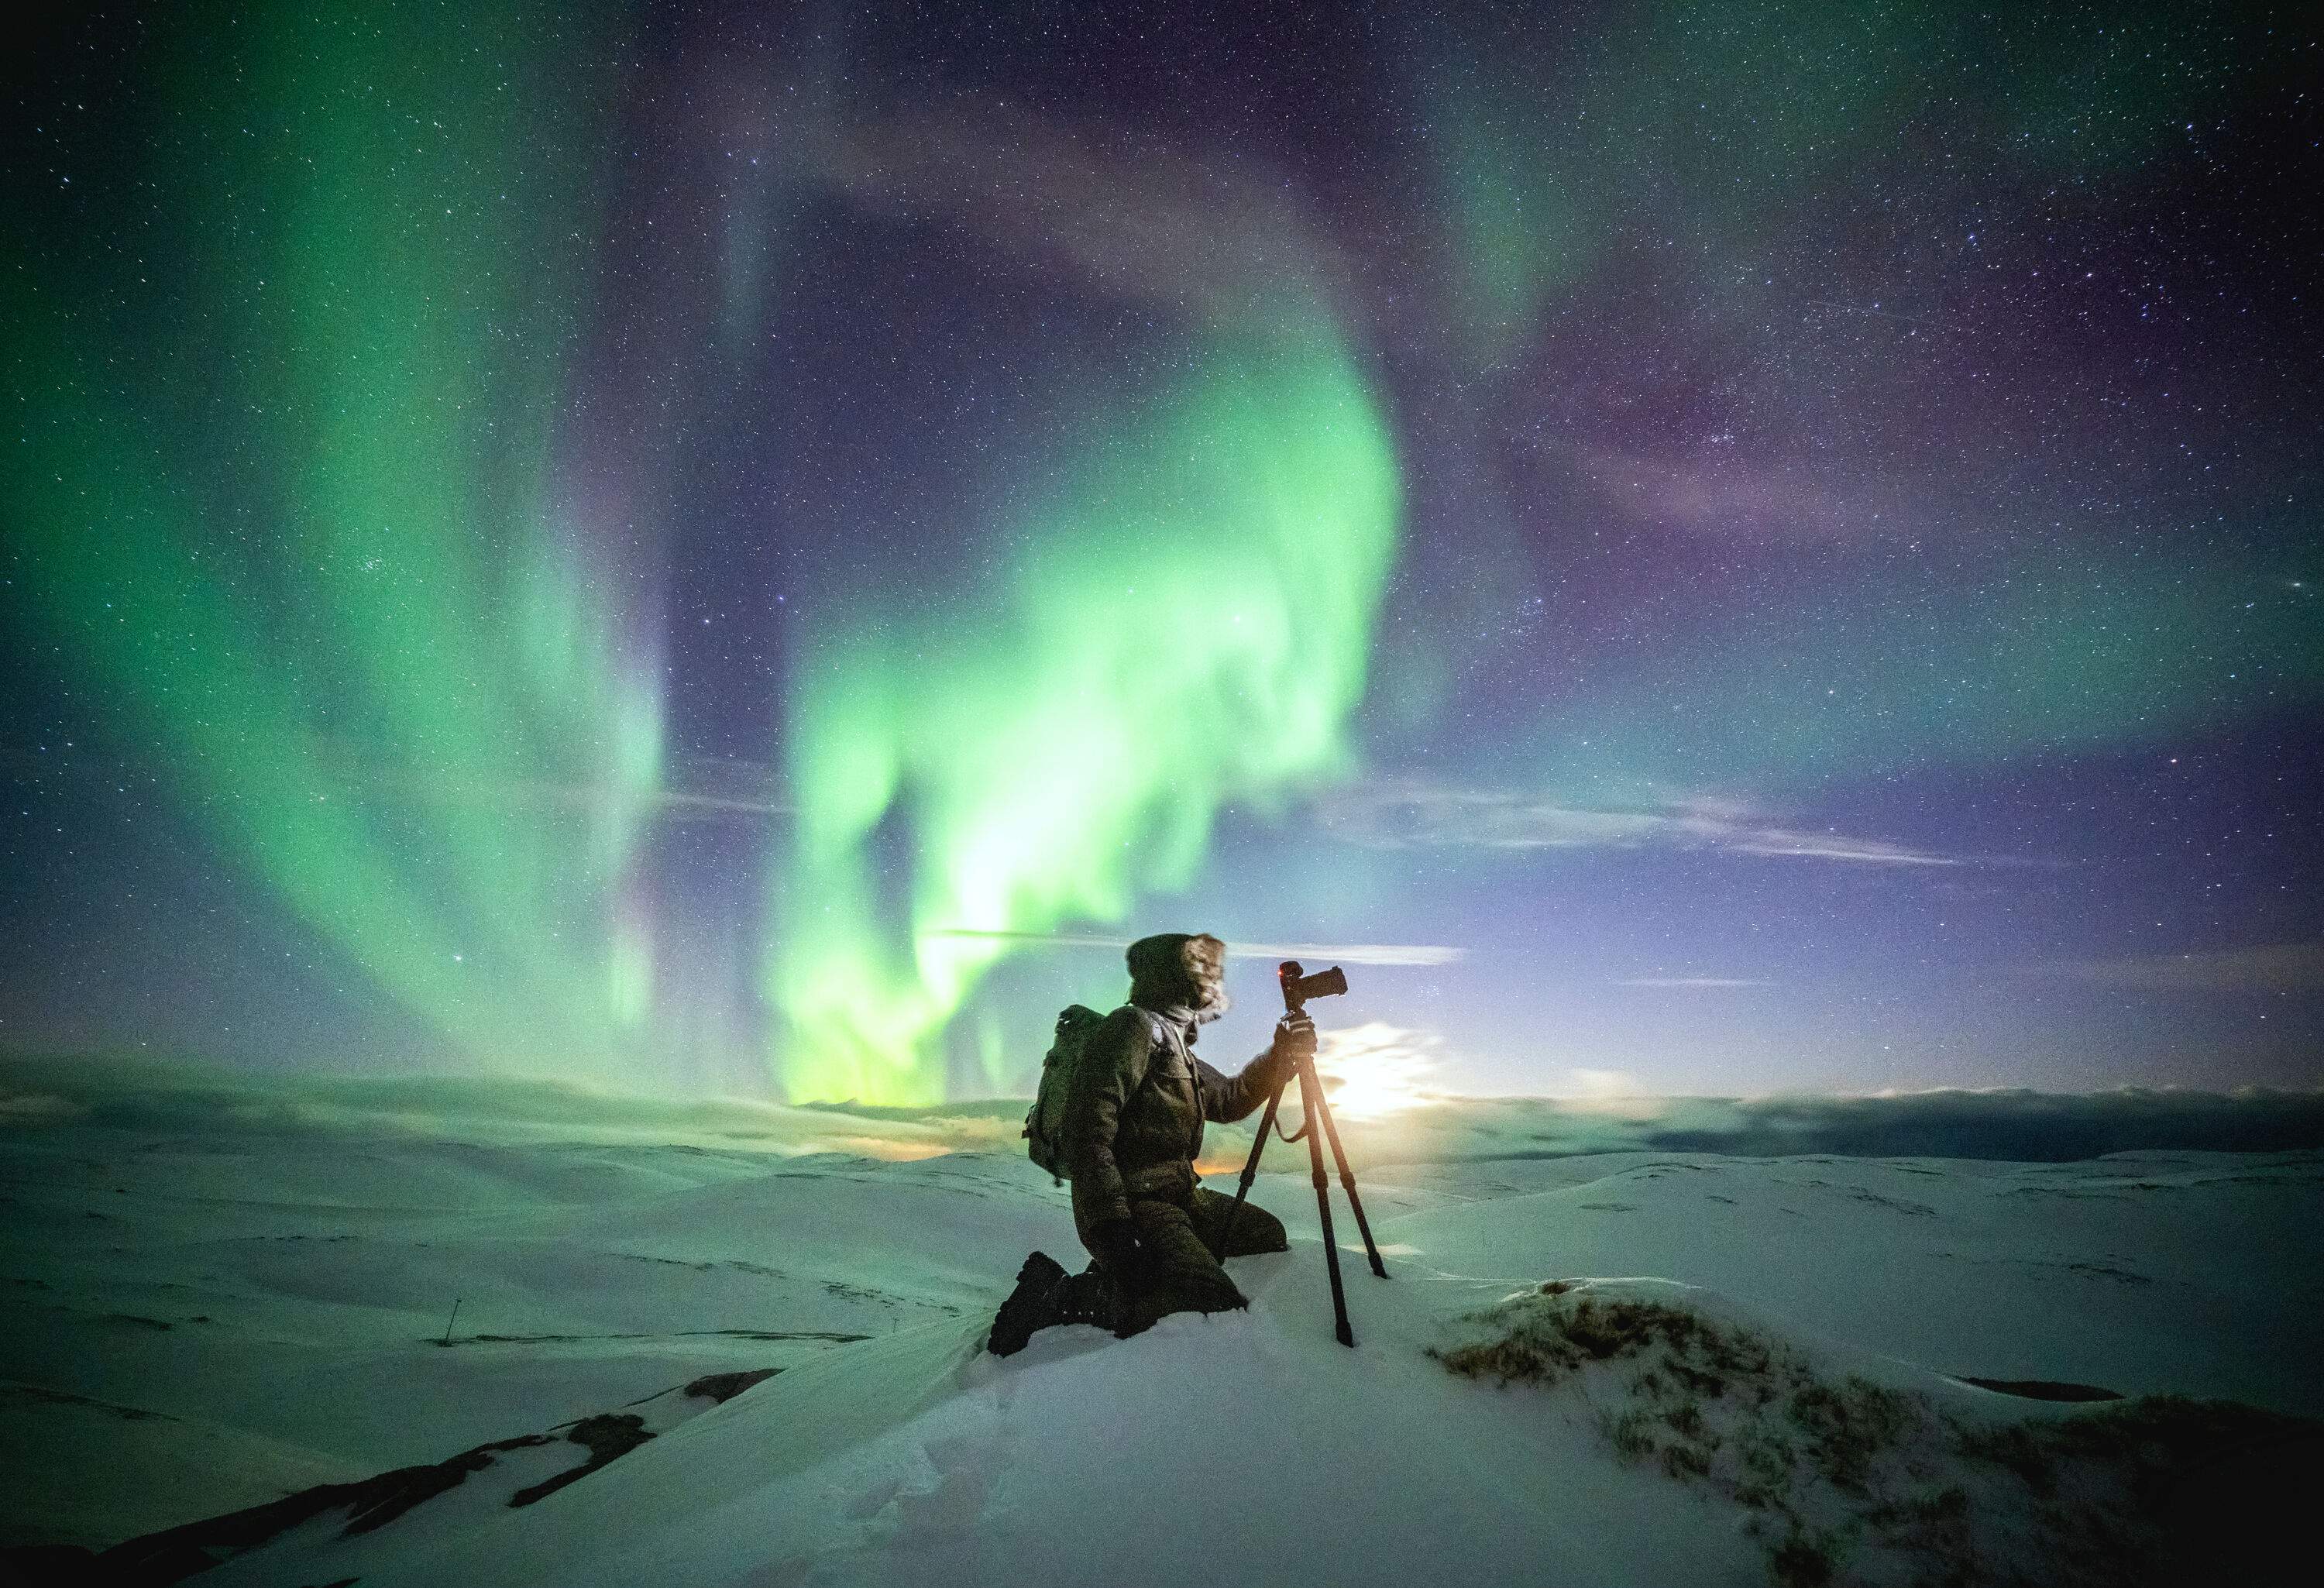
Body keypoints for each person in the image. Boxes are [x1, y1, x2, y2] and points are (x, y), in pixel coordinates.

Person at [988, 931, 1315, 1354]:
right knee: (1207, 1299)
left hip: (1181, 1198)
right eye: (1203, 969)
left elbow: (1231, 1100)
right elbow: (1087, 1130)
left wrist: (1279, 1054)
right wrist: (1111, 1230)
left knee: (1264, 1234)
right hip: (1138, 1206)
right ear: (1175, 975)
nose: (1215, 981)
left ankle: (1151, 1268)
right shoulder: (1134, 1028)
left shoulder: (1175, 1041)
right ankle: (1057, 1297)